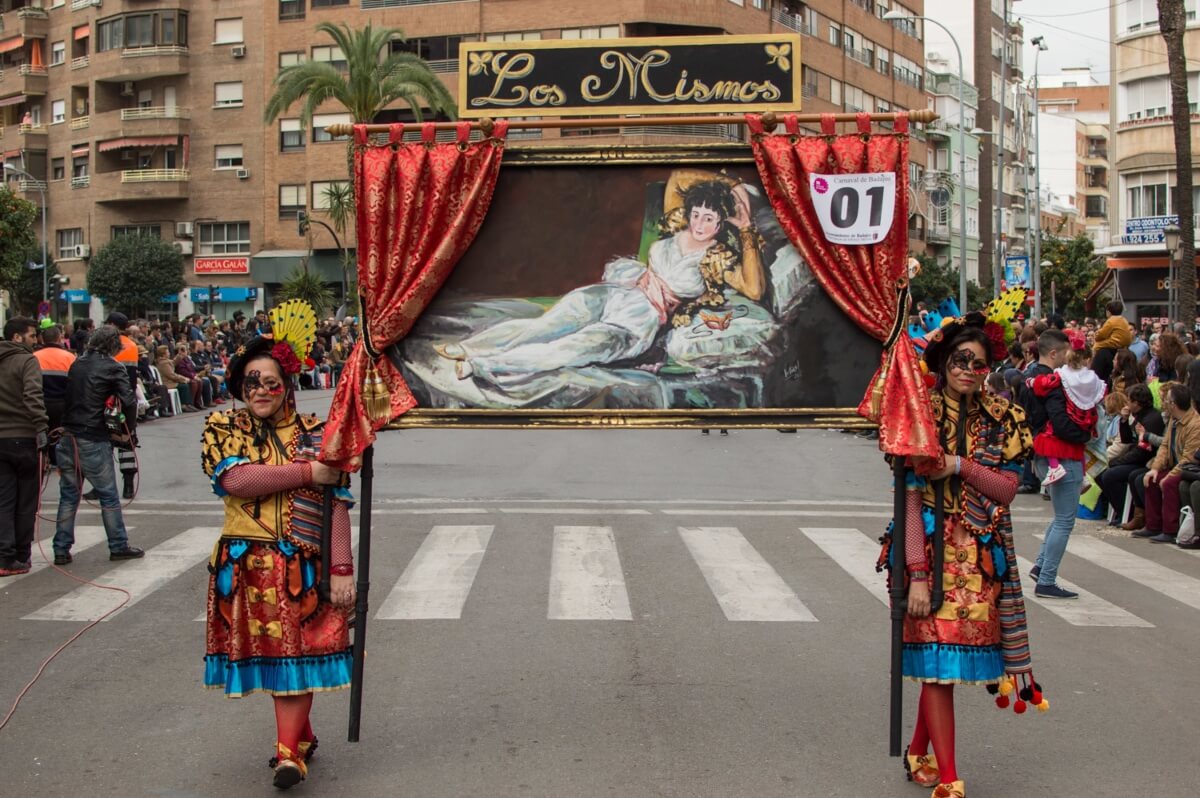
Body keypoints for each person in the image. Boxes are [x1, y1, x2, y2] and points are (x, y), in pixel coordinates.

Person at [883, 315, 1035, 798]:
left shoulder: (1002, 415)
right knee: (938, 669)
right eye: (960, 360)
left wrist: (958, 465)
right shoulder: (919, 414)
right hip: (926, 552)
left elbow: (1007, 489)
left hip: (980, 561)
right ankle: (949, 779)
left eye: (979, 362)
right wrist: (918, 575)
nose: (968, 369)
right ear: (944, 361)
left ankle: (917, 751)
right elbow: (908, 498)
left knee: (942, 668)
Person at [201, 328, 354, 790]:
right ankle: (300, 734)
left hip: (301, 567)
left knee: (297, 658)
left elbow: (337, 503)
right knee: (276, 659)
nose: (261, 392)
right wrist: (310, 471)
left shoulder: (315, 431)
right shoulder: (222, 428)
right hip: (245, 566)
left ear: (287, 383)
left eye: (271, 381)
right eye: (251, 382)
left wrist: (342, 568)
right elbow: (238, 481)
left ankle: (288, 754)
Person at [436, 173, 766, 386]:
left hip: (638, 322)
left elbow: (753, 288)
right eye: (696, 214)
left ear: (721, 224)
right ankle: (469, 346)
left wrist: (747, 227)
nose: (699, 224)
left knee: (567, 348)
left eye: (709, 219)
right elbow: (680, 177)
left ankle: (481, 365)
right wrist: (733, 184)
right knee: (545, 326)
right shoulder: (676, 226)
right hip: (616, 294)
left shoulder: (716, 257)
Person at [52, 326, 144, 564]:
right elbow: (129, 400)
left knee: (69, 495)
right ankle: (118, 545)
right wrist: (128, 430)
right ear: (114, 345)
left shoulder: (77, 363)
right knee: (108, 496)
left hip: (68, 435)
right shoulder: (113, 367)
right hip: (92, 436)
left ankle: (61, 548)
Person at [1026, 337, 1097, 599]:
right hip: (1063, 452)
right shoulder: (1060, 384)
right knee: (1065, 520)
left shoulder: (1040, 378)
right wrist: (1083, 435)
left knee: (1060, 518)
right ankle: (1046, 579)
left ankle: (1041, 566)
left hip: (1050, 451)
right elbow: (1061, 421)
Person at [0, 318, 50, 577]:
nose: (35, 340)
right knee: (26, 501)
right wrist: (41, 426)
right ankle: (20, 555)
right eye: (32, 335)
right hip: (22, 437)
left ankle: (4, 557)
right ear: (17, 337)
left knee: (4, 501)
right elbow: (33, 395)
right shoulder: (26, 360)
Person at [1136, 383, 1200, 543]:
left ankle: (1170, 530)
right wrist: (1156, 468)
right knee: (1151, 479)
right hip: (1175, 464)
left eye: (1167, 400)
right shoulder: (1174, 420)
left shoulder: (1195, 425)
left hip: (1187, 468)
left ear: (1174, 404)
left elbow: (1188, 458)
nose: (1163, 403)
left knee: (1169, 483)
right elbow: (1165, 445)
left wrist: (1169, 476)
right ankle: (1153, 525)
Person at [1100, 384, 1164, 527]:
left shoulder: (1151, 419)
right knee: (1102, 473)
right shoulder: (1138, 416)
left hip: (1144, 460)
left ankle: (1127, 513)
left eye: (1129, 401)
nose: (1127, 404)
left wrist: (1118, 461)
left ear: (1136, 402)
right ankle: (1121, 510)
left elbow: (1142, 451)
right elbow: (1127, 439)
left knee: (1111, 475)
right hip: (1135, 456)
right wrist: (1124, 421)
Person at [33, 325, 77, 433]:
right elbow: (76, 385)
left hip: (40, 406)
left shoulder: (33, 357)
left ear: (43, 339)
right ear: (59, 339)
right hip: (63, 406)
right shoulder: (70, 357)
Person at [1091, 301, 1132, 383]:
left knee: (1096, 345)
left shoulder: (1111, 320)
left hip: (1114, 343)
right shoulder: (1124, 320)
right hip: (1124, 345)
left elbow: (1101, 335)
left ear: (1108, 311)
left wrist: (1097, 334)